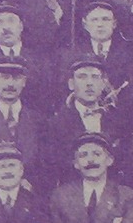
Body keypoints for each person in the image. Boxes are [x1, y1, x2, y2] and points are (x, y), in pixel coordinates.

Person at [39, 58, 124, 195]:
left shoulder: (118, 121)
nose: (89, 83)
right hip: (72, 196)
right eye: (82, 77)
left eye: (95, 77)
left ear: (103, 84)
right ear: (71, 84)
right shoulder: (55, 124)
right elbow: (51, 167)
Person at [75, 0, 133, 91]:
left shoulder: (130, 53)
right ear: (85, 25)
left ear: (114, 24)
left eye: (105, 19)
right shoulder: (75, 52)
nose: (100, 25)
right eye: (94, 20)